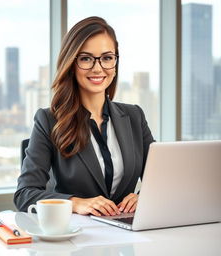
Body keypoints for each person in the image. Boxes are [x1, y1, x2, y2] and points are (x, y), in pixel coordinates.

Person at [14, 16, 154, 217]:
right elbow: (24, 194)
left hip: (127, 233)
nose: (98, 68)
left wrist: (143, 196)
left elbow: (160, 178)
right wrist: (74, 203)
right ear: (72, 62)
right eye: (86, 58)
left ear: (115, 62)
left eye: (107, 58)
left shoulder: (134, 116)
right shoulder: (48, 120)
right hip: (75, 236)